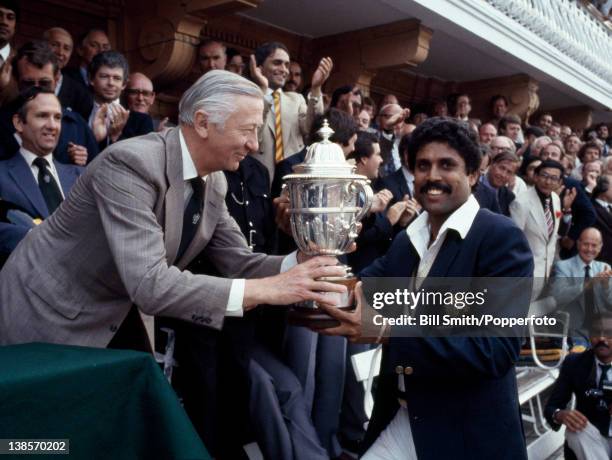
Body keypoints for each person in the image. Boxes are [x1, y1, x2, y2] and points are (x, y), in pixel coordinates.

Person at [0, 70, 347, 347]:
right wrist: (271, 290)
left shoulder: (215, 181)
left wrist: (297, 266)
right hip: (45, 311)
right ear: (201, 122)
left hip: (114, 311)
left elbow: (238, 261)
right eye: (248, 130)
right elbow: (151, 283)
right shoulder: (129, 164)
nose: (255, 145)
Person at [314, 117, 533, 460]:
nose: (432, 176)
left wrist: (388, 330)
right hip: (404, 418)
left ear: (473, 175)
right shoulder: (407, 241)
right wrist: (313, 249)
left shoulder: (500, 238)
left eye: (447, 165)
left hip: (465, 433)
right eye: (423, 165)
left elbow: (495, 350)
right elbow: (360, 290)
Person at [0, 87, 82, 258]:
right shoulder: (2, 174)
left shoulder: (81, 176)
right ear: (19, 123)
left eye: (57, 118)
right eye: (42, 116)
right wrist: (34, 237)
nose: (52, 125)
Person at [0, 41, 98, 166]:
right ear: (16, 80)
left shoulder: (76, 125)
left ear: (57, 80)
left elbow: (97, 173)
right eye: (28, 84)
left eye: (44, 83)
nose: (37, 90)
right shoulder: (2, 122)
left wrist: (82, 165)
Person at [249, 41, 331, 182]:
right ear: (259, 67)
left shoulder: (296, 99)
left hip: (291, 180)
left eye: (286, 65)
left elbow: (312, 129)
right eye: (277, 63)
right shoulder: (249, 97)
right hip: (256, 178)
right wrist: (264, 91)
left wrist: (316, 87)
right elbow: (252, 134)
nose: (284, 70)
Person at [545, 313, 612, 460]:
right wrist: (560, 414)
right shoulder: (575, 363)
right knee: (575, 429)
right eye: (596, 332)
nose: (601, 338)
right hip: (592, 441)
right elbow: (551, 407)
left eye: (608, 334)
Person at [550, 228, 612, 342]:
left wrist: (606, 287)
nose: (589, 249)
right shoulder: (562, 267)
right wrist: (588, 284)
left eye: (594, 245)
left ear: (600, 247)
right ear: (578, 244)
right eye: (585, 244)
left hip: (602, 331)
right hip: (575, 331)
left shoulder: (605, 267)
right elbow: (559, 296)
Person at [87, 51, 154, 149]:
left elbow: (141, 160)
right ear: (91, 79)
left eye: (117, 78)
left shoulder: (141, 122)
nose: (111, 83)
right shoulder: (77, 111)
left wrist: (116, 137)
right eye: (104, 76)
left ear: (124, 84)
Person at [42, 27, 93, 120]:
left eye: (66, 48)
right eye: (55, 45)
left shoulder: (80, 93)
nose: (60, 52)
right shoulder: (29, 81)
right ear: (42, 46)